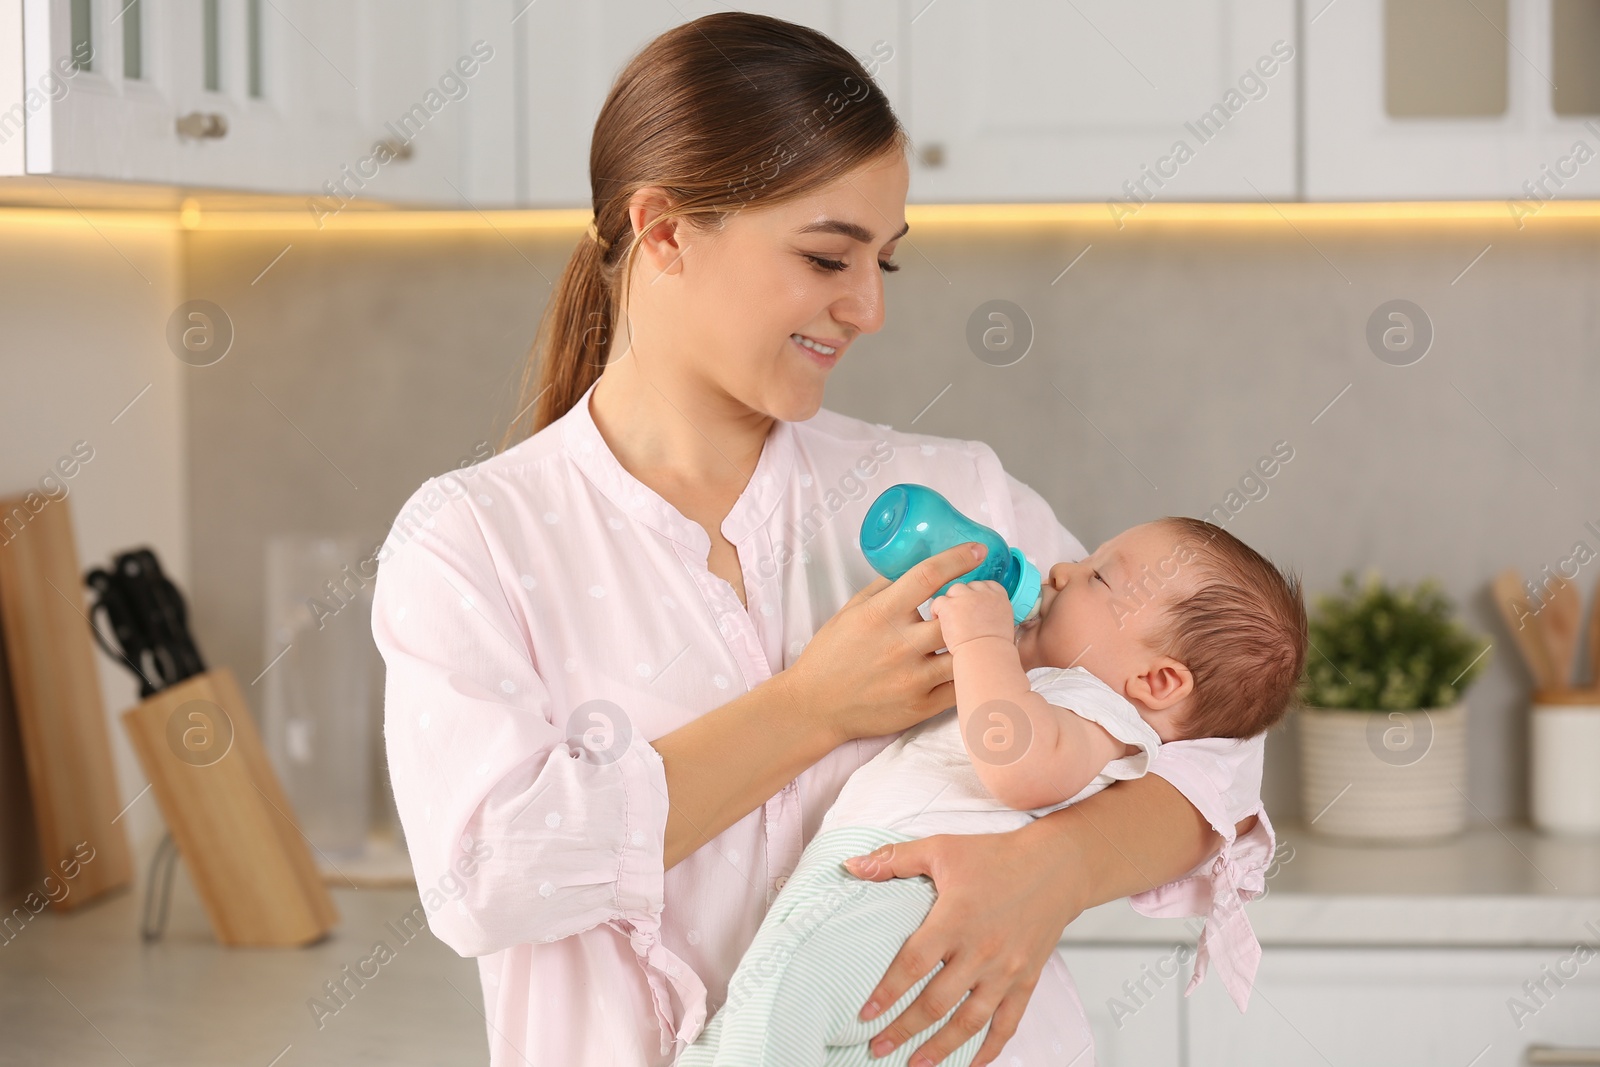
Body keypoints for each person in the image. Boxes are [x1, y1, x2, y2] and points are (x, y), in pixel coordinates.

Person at [372, 13, 1275, 1067]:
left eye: (885, 262)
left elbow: (1207, 741)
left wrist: (1056, 868)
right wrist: (811, 707)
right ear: (662, 230)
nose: (868, 306)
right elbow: (481, 879)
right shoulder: (472, 538)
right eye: (826, 255)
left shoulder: (949, 494)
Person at [675, 518, 1307, 1065]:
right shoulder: (1068, 695)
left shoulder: (1098, 713)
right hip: (906, 903)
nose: (1061, 570)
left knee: (781, 995)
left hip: (906, 891)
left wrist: (981, 640)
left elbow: (1019, 767)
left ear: (1158, 681)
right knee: (771, 1027)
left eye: (1099, 577)